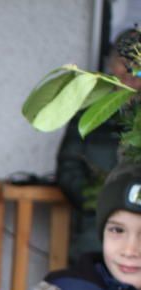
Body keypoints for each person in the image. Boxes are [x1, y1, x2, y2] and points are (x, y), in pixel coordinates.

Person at [55, 28, 141, 264]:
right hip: (93, 232)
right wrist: (101, 203)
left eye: (139, 66)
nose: (131, 75)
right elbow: (68, 167)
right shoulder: (90, 112)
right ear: (111, 66)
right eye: (125, 63)